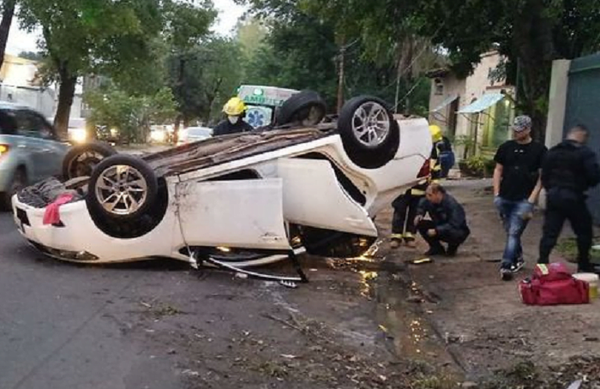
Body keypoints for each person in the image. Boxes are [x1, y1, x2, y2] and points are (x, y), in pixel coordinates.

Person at [538, 125, 600, 273]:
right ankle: (583, 265)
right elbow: (594, 176)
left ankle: (542, 264)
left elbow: (544, 175)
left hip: (553, 197)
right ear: (582, 137)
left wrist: (551, 189)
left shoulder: (552, 152)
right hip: (574, 197)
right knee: (584, 231)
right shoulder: (585, 153)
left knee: (550, 233)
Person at [493, 115, 547, 281]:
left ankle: (506, 264)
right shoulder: (506, 147)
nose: (516, 133)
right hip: (505, 196)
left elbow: (542, 176)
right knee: (510, 231)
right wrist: (496, 194)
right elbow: (498, 170)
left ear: (528, 130)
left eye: (520, 130)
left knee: (514, 232)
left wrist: (531, 200)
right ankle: (518, 257)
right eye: (515, 130)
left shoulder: (539, 150)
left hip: (523, 199)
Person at [390, 125, 443, 249]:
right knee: (399, 212)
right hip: (404, 188)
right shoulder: (410, 149)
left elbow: (436, 169)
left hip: (421, 189)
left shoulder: (434, 152)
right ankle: (396, 237)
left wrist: (434, 185)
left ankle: (410, 236)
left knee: (415, 213)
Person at [414, 183, 470, 256]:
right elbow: (422, 204)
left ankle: (452, 247)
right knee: (420, 223)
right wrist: (420, 214)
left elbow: (455, 224)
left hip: (456, 230)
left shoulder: (452, 205)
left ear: (438, 194)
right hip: (440, 224)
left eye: (430, 195)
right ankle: (436, 248)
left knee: (454, 233)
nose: (428, 197)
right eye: (427, 195)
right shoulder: (430, 201)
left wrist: (437, 230)